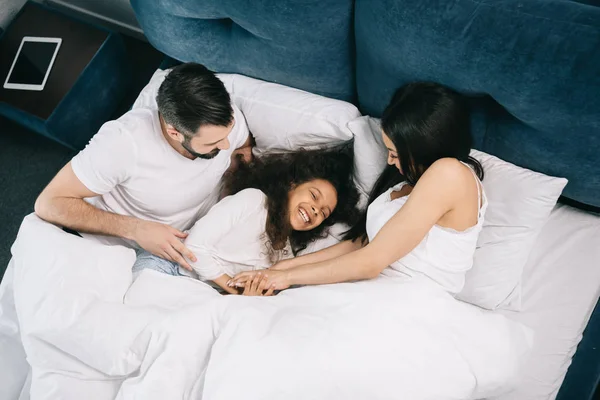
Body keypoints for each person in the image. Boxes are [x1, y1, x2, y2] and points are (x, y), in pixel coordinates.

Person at [230, 82, 487, 295]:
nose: (389, 161)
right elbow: (360, 243)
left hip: (413, 298)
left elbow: (371, 261)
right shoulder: (409, 183)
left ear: (425, 147)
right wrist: (280, 269)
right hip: (378, 290)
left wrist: (283, 279)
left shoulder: (450, 174)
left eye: (396, 153)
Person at [34, 63, 253, 270]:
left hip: (199, 236)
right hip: (122, 247)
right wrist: (136, 229)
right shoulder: (123, 144)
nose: (225, 145)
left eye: (228, 133)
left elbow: (242, 148)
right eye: (212, 144)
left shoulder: (223, 117)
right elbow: (49, 203)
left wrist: (230, 194)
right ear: (174, 132)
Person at [132, 148, 360, 295]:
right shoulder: (255, 201)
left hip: (202, 292)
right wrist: (233, 290)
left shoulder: (286, 255)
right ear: (292, 185)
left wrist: (250, 298)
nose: (314, 210)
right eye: (313, 196)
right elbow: (194, 247)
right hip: (170, 267)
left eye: (323, 212)